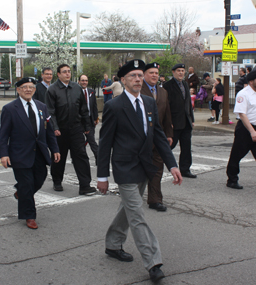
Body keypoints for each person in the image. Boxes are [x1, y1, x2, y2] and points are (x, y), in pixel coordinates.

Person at [97, 59, 182, 282]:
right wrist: (102, 176)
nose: (138, 79)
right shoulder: (113, 106)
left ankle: (113, 245)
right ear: (123, 80)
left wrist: (172, 165)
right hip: (125, 168)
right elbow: (105, 144)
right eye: (133, 76)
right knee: (137, 214)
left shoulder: (149, 102)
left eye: (140, 75)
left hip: (145, 167)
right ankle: (153, 262)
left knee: (127, 208)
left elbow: (159, 137)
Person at [0, 77, 60, 229]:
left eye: (31, 87)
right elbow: (4, 134)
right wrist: (4, 154)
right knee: (26, 184)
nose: (28, 89)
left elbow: (49, 131)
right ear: (18, 90)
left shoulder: (41, 107)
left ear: (34, 89)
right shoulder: (10, 108)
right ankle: (29, 216)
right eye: (24, 87)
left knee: (40, 178)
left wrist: (55, 149)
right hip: (19, 153)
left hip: (39, 151)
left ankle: (20, 193)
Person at [45, 64, 95, 195]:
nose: (68, 74)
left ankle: (85, 185)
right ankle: (57, 180)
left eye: (69, 71)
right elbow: (50, 112)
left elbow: (83, 109)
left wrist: (87, 126)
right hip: (60, 130)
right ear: (58, 74)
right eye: (64, 72)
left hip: (76, 128)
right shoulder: (52, 90)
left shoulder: (77, 88)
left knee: (81, 156)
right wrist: (54, 127)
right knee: (58, 157)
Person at [141, 62, 173, 212]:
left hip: (158, 138)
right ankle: (130, 195)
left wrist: (169, 134)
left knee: (157, 170)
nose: (154, 75)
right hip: (141, 139)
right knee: (138, 169)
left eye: (156, 73)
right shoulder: (137, 90)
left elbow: (167, 115)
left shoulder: (163, 92)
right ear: (144, 75)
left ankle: (155, 200)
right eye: (150, 73)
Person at [163, 63, 196, 178]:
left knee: (186, 147)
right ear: (173, 72)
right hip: (174, 122)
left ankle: (185, 169)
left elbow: (188, 103)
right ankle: (156, 164)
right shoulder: (167, 86)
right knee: (169, 146)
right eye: (178, 71)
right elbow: (165, 106)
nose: (181, 73)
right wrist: (168, 122)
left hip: (186, 121)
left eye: (182, 70)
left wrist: (191, 118)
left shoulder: (185, 84)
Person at [78, 74, 99, 163]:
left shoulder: (91, 92)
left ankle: (98, 158)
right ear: (79, 81)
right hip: (79, 121)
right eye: (82, 80)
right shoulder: (76, 92)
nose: (84, 82)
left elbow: (94, 106)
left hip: (90, 120)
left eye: (86, 80)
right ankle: (77, 158)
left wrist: (96, 118)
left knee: (91, 140)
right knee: (78, 141)